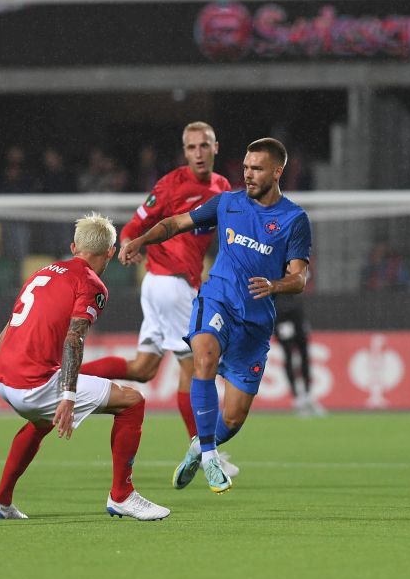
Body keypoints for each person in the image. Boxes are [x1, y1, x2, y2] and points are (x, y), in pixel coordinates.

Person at [121, 138, 311, 494]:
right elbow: (175, 223)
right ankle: (210, 455)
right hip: (217, 298)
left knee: (234, 417)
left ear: (277, 172)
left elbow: (299, 277)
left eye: (257, 169)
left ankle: (198, 447)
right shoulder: (227, 203)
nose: (248, 175)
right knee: (203, 358)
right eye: (246, 168)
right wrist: (141, 240)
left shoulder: (294, 219)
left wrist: (276, 284)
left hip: (255, 322)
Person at [0, 213, 169, 521]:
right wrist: (68, 397)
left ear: (74, 247)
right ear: (111, 251)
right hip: (35, 384)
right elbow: (74, 339)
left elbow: (2, 338)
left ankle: (0, 502)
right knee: (132, 403)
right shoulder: (91, 284)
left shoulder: (41, 273)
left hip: (5, 381)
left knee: (40, 423)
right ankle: (122, 495)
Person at [80, 122, 237, 477]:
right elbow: (136, 224)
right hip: (170, 284)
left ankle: (66, 377)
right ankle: (205, 450)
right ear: (184, 151)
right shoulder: (171, 184)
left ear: (215, 148)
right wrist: (130, 245)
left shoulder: (222, 187)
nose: (198, 152)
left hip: (170, 285)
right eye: (191, 147)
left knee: (143, 369)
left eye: (204, 146)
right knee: (196, 370)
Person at [274, 293, 324, 417]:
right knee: (289, 355)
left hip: (296, 313)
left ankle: (308, 396)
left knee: (304, 355)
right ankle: (297, 399)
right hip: (281, 315)